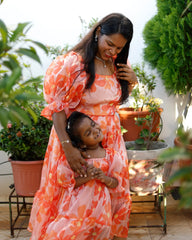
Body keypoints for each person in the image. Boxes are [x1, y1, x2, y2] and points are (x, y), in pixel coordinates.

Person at [28, 12, 137, 239]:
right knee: (76, 201)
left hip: (110, 142)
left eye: (119, 48)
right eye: (110, 44)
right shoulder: (72, 63)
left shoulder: (117, 64)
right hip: (80, 139)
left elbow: (112, 99)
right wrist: (68, 147)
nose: (113, 52)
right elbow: (57, 108)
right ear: (98, 33)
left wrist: (132, 82)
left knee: (109, 194)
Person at [38, 111, 131, 239]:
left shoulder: (111, 156)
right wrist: (88, 177)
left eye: (93, 125)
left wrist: (103, 178)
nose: (95, 130)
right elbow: (67, 183)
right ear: (81, 143)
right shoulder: (77, 160)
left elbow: (116, 183)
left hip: (101, 208)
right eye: (88, 133)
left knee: (100, 231)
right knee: (73, 232)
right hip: (77, 207)